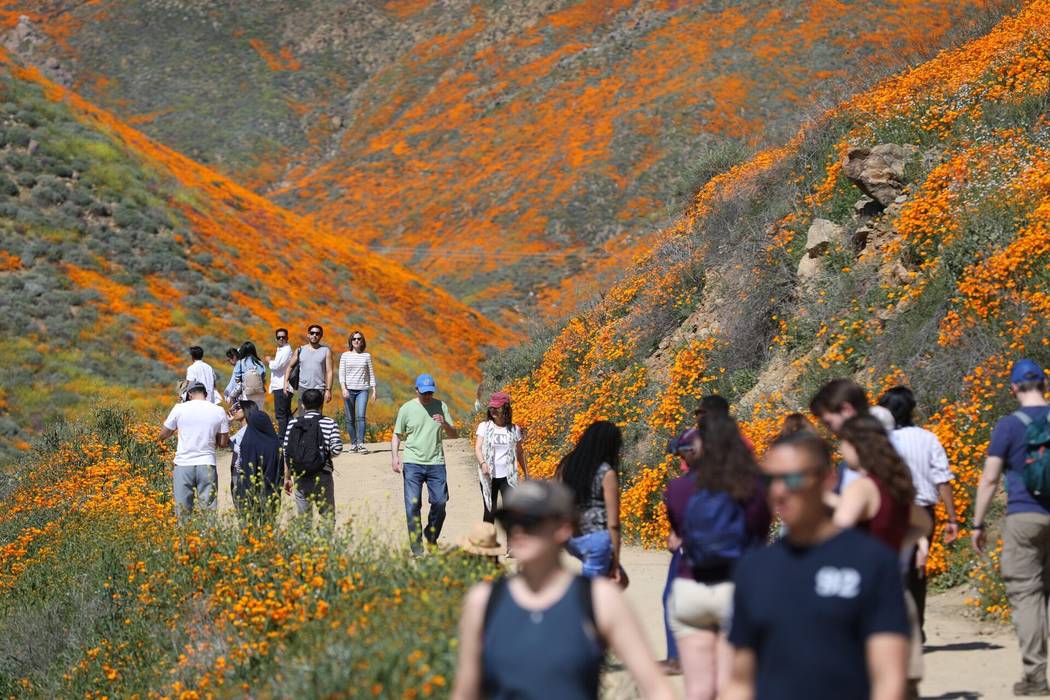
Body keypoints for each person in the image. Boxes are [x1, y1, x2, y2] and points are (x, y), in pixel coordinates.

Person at [723, 430, 909, 700]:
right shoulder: (753, 569)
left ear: (828, 479)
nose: (779, 491)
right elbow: (740, 682)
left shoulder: (872, 562)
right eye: (769, 480)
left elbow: (889, 679)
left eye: (793, 478)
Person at [450, 480, 675, 700]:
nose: (517, 530)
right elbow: (465, 692)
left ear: (563, 528)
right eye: (509, 522)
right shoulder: (483, 602)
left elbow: (656, 688)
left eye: (530, 521)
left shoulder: (600, 600)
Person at [665, 413, 769, 700]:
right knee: (730, 685)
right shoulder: (751, 486)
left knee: (698, 688)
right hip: (734, 587)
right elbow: (761, 532)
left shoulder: (677, 489)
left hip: (690, 587)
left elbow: (678, 534)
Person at [834, 415, 933, 700]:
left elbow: (838, 534)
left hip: (864, 595)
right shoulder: (895, 485)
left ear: (857, 446)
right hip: (897, 593)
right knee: (904, 683)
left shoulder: (862, 488)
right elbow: (923, 524)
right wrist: (895, 545)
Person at [972, 359, 1050, 697]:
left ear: (1014, 388)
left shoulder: (1008, 426)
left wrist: (977, 523)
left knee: (1027, 594)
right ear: (1045, 385)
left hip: (1024, 517)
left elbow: (990, 479)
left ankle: (1036, 677)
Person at [878, 385, 959, 637]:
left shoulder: (882, 443)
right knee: (917, 570)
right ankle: (916, 625)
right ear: (912, 409)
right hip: (924, 511)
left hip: (891, 511)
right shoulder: (928, 438)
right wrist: (952, 518)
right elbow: (942, 480)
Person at [391, 374, 457, 555]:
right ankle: (417, 545)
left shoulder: (441, 406)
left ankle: (431, 534)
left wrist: (444, 424)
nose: (427, 396)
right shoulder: (406, 409)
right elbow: (397, 434)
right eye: (424, 392)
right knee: (412, 505)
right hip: (413, 463)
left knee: (440, 502)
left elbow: (454, 435)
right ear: (416, 390)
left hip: (436, 462)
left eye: (430, 392)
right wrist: (395, 456)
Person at [556, 420, 624, 584]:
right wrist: (615, 561)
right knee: (593, 592)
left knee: (622, 581)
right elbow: (613, 523)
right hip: (595, 539)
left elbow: (555, 498)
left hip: (570, 537)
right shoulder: (606, 473)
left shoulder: (567, 464)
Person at [158, 382, 230, 521]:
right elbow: (223, 444)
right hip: (207, 464)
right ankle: (208, 540)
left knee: (183, 511)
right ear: (206, 394)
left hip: (183, 464)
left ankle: (185, 540)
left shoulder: (179, 408)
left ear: (189, 394)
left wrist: (158, 441)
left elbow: (164, 434)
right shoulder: (218, 411)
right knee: (209, 511)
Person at [283, 388, 343, 520]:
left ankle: (306, 541)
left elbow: (287, 452)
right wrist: (322, 457)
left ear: (302, 405)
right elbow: (337, 448)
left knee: (304, 520)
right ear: (321, 405)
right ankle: (325, 541)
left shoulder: (293, 423)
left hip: (300, 474)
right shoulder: (329, 423)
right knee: (327, 517)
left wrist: (287, 477)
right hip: (322, 474)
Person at [475, 392, 528, 525]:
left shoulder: (514, 429)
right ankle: (487, 544)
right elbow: (478, 448)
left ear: (505, 408)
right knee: (489, 512)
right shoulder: (484, 427)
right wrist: (483, 463)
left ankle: (511, 546)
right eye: (491, 407)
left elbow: (520, 452)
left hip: (508, 477)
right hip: (488, 476)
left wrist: (526, 473)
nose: (493, 410)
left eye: (496, 407)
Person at [809, 378, 871, 492]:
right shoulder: (886, 444)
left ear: (846, 410)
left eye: (829, 423)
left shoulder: (866, 457)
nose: (829, 430)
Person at [238, 408, 284, 523]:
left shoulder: (247, 442)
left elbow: (245, 470)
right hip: (271, 491)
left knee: (250, 527)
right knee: (268, 526)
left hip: (251, 492)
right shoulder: (275, 443)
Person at [339, 330, 377, 453]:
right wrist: (344, 389)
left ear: (362, 341)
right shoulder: (345, 355)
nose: (356, 341)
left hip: (363, 390)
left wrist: (374, 390)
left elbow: (371, 373)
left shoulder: (367, 356)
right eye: (354, 339)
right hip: (348, 390)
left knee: (360, 416)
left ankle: (361, 443)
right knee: (350, 418)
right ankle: (353, 444)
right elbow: (341, 374)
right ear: (351, 341)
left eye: (359, 339)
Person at [284, 324, 334, 413]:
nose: (314, 335)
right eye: (312, 333)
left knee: (317, 416)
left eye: (317, 333)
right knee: (302, 415)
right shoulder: (300, 350)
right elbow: (289, 367)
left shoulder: (326, 351)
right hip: (303, 388)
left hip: (319, 389)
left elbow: (329, 371)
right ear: (308, 335)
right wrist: (285, 384)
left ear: (321, 336)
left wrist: (328, 390)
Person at [228, 399, 258, 510]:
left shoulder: (248, 430)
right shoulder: (244, 429)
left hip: (242, 471)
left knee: (241, 505)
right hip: (241, 470)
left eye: (237, 408)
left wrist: (230, 444)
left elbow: (242, 450)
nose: (234, 411)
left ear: (246, 411)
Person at [266, 328, 293, 439]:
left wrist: (269, 361)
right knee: (286, 414)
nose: (281, 339)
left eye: (283, 337)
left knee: (281, 414)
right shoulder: (282, 350)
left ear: (287, 338)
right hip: (281, 385)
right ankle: (290, 437)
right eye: (279, 337)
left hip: (282, 386)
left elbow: (277, 365)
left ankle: (282, 438)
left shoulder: (286, 350)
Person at [232, 341, 267, 408]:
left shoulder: (240, 362)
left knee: (248, 414)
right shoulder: (260, 363)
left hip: (247, 393)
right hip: (260, 392)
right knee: (258, 414)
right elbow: (263, 377)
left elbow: (236, 379)